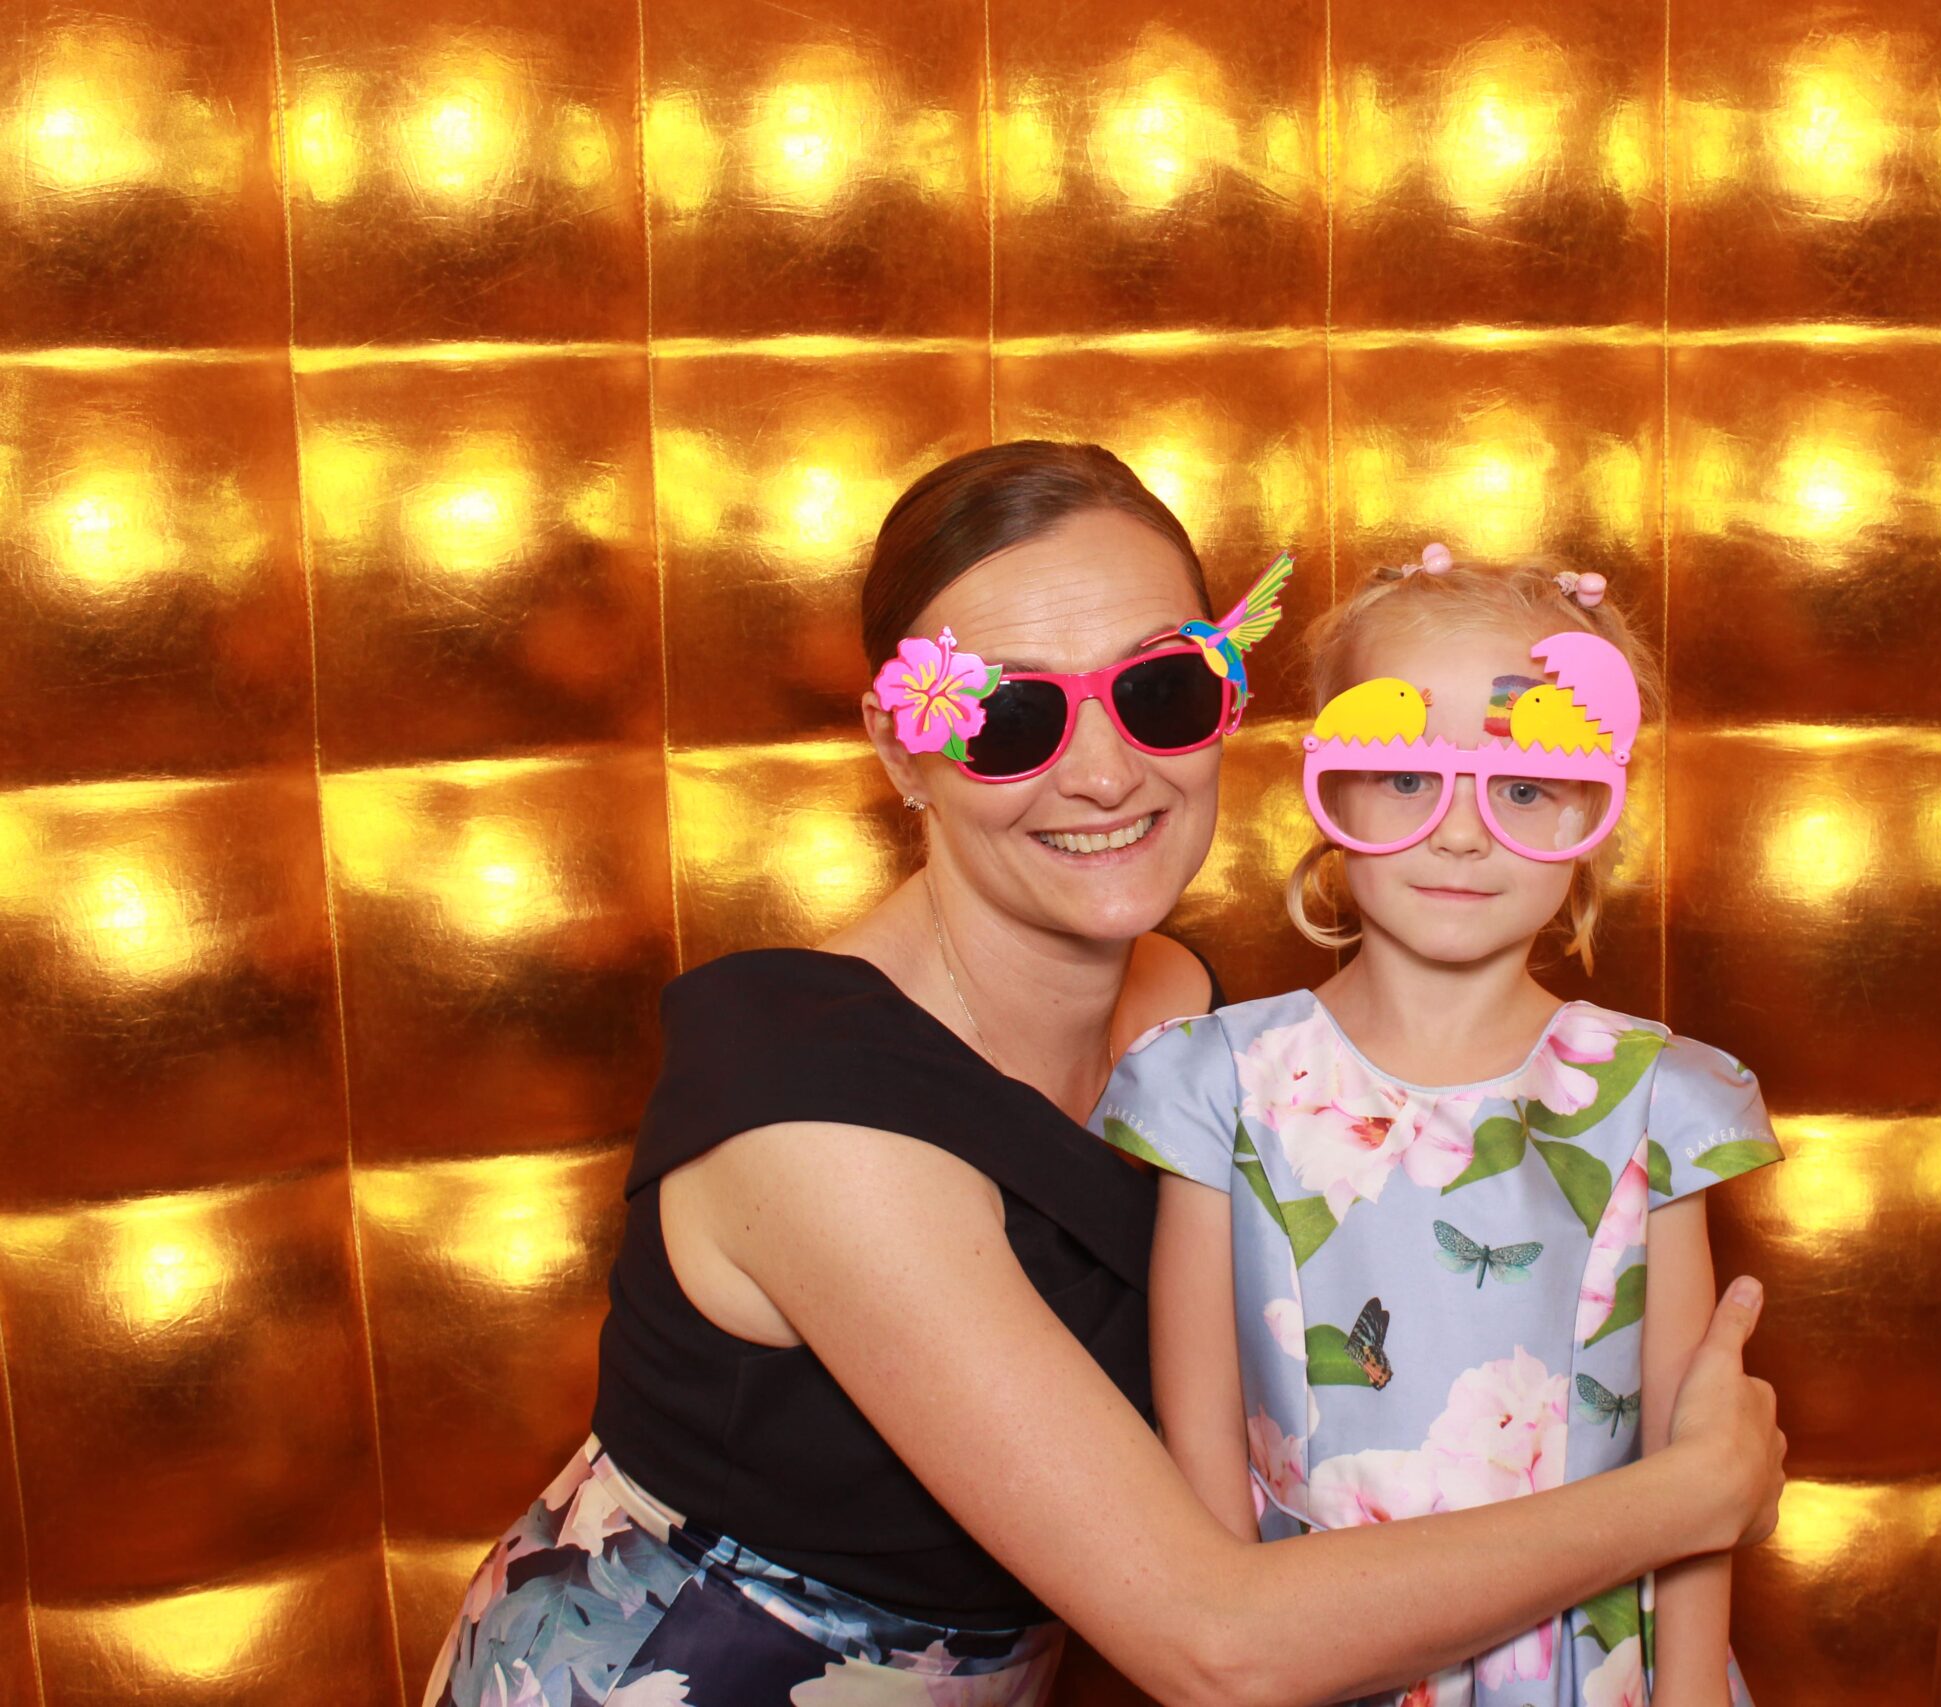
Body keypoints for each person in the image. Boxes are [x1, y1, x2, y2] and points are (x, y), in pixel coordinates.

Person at [421, 445, 1786, 1707]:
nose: (1101, 773)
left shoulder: (1194, 1023)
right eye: (1012, 716)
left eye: (1157, 693)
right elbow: (1215, 1636)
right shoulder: (811, 1110)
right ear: (904, 748)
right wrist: (1688, 1493)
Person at [1097, 548, 1781, 1706]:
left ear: (1594, 812)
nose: (1461, 832)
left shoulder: (1657, 1098)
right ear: (1329, 790)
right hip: (1310, 1653)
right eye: (1406, 774)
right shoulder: (1217, 1085)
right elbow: (1199, 1462)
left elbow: (1695, 1467)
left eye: (1524, 786)